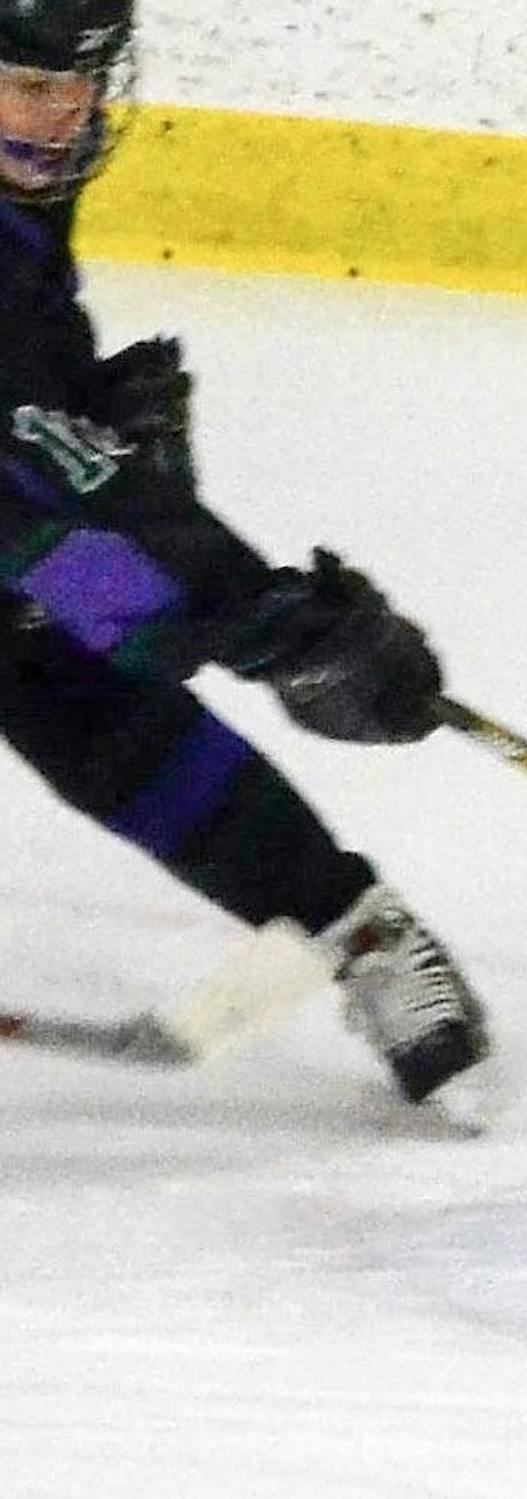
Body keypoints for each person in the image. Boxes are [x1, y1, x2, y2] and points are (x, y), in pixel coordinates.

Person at [0, 0, 489, 1107]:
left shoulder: (25, 178)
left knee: (91, 664)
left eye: (80, 84)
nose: (64, 116)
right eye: (31, 85)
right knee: (108, 615)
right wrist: (268, 621)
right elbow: (50, 481)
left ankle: (358, 931)